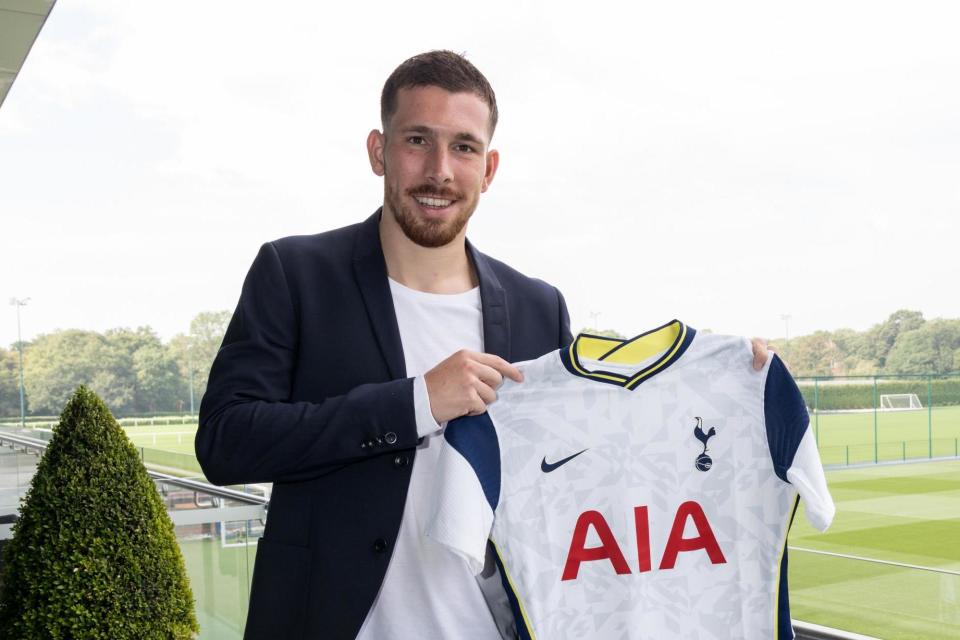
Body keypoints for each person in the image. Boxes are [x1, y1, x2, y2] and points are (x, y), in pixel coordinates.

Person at [197, 50, 769, 640]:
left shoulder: (537, 306)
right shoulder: (294, 273)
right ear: (378, 151)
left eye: (464, 147)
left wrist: (723, 386)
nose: (440, 169)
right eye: (417, 139)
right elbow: (226, 441)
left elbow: (595, 460)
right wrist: (418, 402)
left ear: (489, 168)